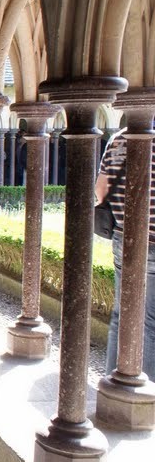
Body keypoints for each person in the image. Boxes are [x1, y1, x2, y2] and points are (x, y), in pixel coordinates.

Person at [95, 128, 155, 377]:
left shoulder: (118, 139)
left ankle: (112, 382)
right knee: (150, 322)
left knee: (120, 316)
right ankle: (145, 390)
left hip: (123, 235)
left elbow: (100, 190)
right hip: (153, 240)